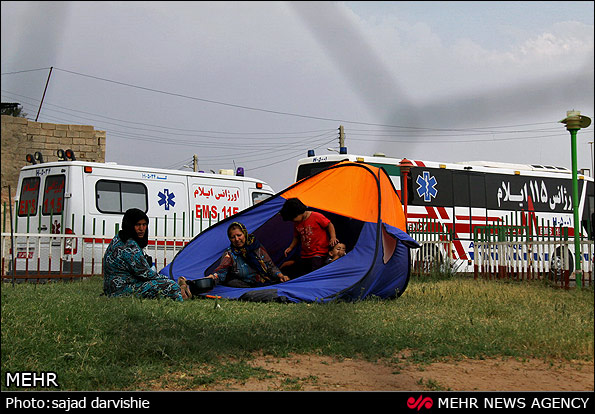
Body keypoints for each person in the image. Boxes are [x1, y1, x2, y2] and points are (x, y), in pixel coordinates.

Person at [103, 208, 184, 301]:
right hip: (121, 290)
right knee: (171, 286)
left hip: (111, 289)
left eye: (144, 225)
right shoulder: (129, 246)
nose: (141, 229)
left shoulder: (119, 238)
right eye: (138, 225)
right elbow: (146, 274)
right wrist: (170, 280)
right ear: (130, 225)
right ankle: (181, 296)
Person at [202, 222, 289, 288]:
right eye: (233, 237)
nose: (237, 239)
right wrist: (212, 277)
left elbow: (270, 266)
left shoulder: (256, 246)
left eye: (239, 235)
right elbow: (221, 271)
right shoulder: (230, 253)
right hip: (244, 284)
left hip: (264, 281)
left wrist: (280, 275)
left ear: (245, 234)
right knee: (232, 283)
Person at [280, 198, 339, 276]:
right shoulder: (297, 223)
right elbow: (296, 237)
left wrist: (333, 237)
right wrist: (291, 247)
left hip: (319, 252)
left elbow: (329, 225)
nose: (293, 221)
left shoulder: (316, 216)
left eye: (293, 219)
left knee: (315, 271)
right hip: (306, 254)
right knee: (303, 271)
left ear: (299, 212)